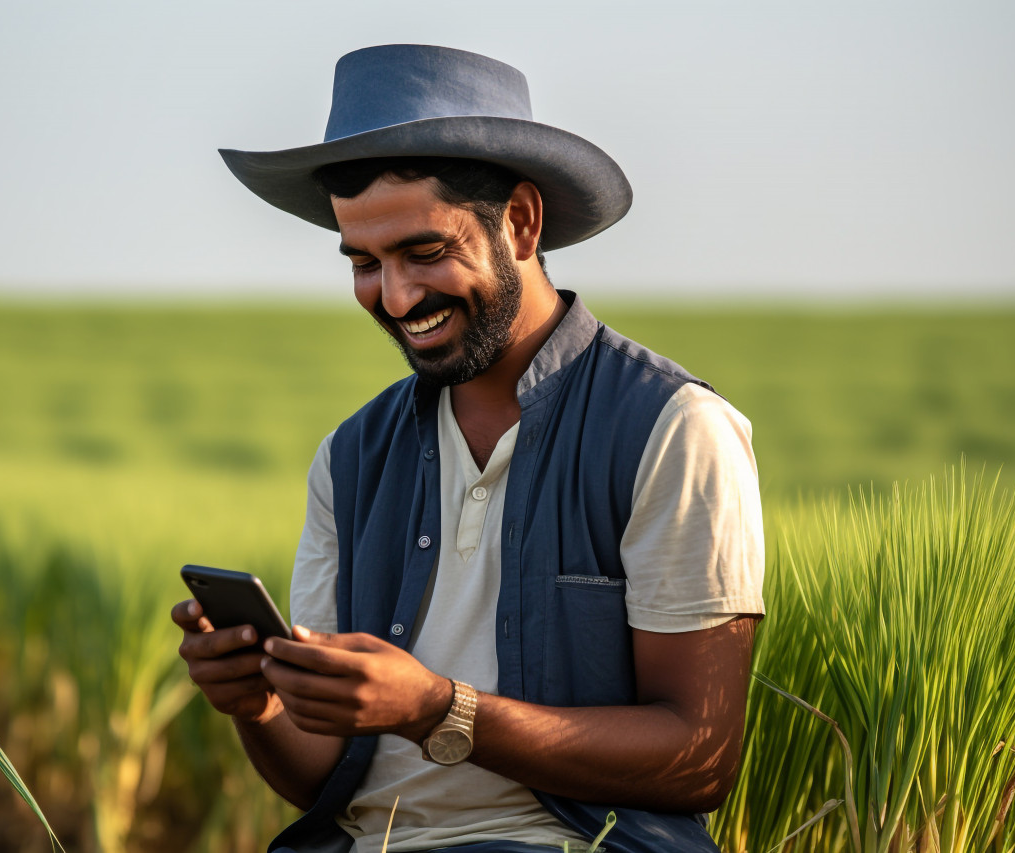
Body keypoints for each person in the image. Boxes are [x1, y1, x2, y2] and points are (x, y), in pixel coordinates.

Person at [172, 44, 764, 853]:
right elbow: (323, 776)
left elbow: (701, 759)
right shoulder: (349, 461)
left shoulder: (672, 428)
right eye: (364, 263)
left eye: (424, 252)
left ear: (519, 222)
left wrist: (435, 709)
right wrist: (260, 705)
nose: (396, 296)